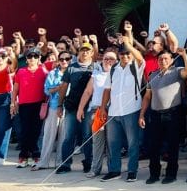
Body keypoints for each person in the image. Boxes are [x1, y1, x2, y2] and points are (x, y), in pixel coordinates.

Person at [140, 46, 187, 184]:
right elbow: (147, 96)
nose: (163, 61)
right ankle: (154, 174)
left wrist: (184, 55)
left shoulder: (177, 71)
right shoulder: (152, 75)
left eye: (166, 59)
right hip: (155, 114)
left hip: (173, 114)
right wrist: (141, 115)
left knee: (172, 146)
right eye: (160, 59)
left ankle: (171, 173)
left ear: (172, 61)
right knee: (153, 146)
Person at [101, 26, 146, 182]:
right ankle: (114, 170)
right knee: (113, 143)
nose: (125, 55)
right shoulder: (114, 69)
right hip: (114, 111)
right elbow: (107, 89)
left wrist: (129, 44)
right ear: (119, 55)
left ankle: (132, 171)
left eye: (127, 53)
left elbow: (140, 58)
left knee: (133, 143)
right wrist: (103, 108)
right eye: (122, 53)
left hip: (131, 110)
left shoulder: (136, 67)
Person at [55, 42, 95, 174]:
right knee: (69, 137)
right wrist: (60, 105)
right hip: (72, 107)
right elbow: (63, 88)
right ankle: (65, 164)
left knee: (87, 136)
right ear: (78, 52)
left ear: (92, 53)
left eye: (87, 51)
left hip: (89, 108)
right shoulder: (71, 68)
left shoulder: (96, 68)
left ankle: (89, 163)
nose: (85, 53)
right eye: (82, 50)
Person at [78, 49, 115, 177]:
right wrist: (80, 109)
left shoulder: (118, 74)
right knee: (97, 141)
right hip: (96, 110)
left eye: (112, 59)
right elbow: (88, 92)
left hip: (113, 111)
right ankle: (95, 169)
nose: (108, 61)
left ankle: (113, 169)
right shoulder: (96, 74)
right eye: (106, 59)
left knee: (112, 141)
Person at [12, 48, 48, 167]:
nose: (32, 58)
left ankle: (35, 155)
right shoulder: (21, 71)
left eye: (35, 56)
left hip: (39, 104)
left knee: (36, 131)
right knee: (25, 131)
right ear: (26, 59)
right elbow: (16, 88)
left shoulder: (44, 71)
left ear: (39, 58)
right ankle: (24, 156)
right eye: (30, 56)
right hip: (24, 104)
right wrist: (13, 102)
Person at [35, 52, 69, 169]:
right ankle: (43, 162)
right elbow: (47, 91)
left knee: (63, 137)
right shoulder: (52, 74)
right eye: (62, 59)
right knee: (49, 135)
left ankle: (60, 162)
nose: (64, 61)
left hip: (68, 108)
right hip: (54, 106)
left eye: (67, 59)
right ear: (58, 60)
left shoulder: (73, 73)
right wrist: (60, 87)